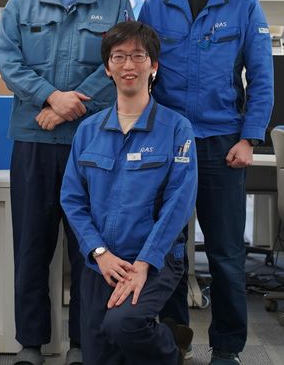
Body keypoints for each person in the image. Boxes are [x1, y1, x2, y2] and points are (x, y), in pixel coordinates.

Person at [137, 0, 274, 365]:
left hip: (222, 142)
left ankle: (227, 348)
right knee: (167, 248)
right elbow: (141, 73)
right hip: (168, 143)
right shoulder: (155, 6)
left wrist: (249, 139)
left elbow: (262, 78)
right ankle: (174, 341)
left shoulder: (244, 6)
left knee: (226, 253)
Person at [0, 0, 133, 365]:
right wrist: (52, 98)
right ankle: (30, 344)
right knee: (31, 245)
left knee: (88, 248)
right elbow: (9, 62)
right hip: (33, 143)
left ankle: (81, 344)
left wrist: (69, 107)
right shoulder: (21, 4)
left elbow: (120, 63)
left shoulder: (116, 4)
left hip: (93, 145)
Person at [60, 21, 198, 365]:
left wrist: (144, 263)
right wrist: (99, 252)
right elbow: (72, 200)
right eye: (118, 57)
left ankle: (171, 349)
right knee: (98, 354)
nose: (128, 65)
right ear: (108, 68)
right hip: (103, 261)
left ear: (154, 65)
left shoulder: (176, 129)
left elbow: (179, 203)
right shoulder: (88, 130)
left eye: (138, 56)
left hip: (155, 258)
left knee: (124, 325)